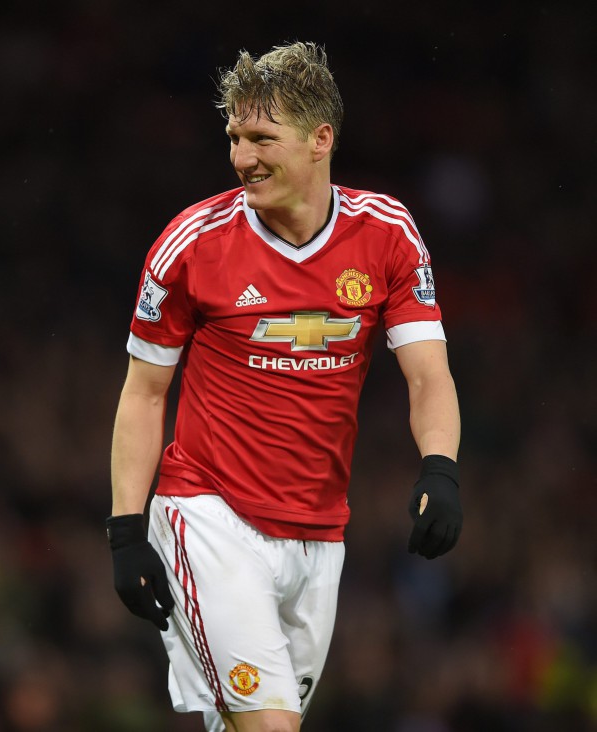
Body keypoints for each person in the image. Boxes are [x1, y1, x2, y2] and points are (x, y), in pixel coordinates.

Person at [107, 41, 462, 732]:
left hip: (318, 537)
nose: (242, 158)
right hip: (208, 518)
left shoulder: (388, 236)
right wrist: (125, 531)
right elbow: (144, 393)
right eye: (235, 137)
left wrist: (441, 466)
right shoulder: (191, 245)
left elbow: (429, 374)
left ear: (320, 139)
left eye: (262, 138)